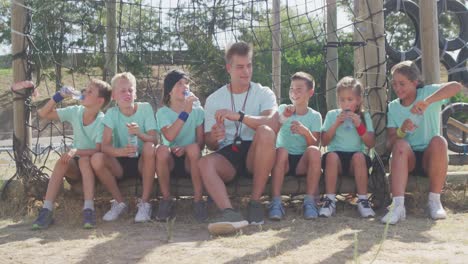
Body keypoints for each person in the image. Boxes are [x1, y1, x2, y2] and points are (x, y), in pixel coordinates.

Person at [199, 41, 278, 235]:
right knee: (204, 163)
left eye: (249, 65)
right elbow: (209, 141)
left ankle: (255, 202)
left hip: (256, 151)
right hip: (229, 153)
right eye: (240, 67)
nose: (246, 71)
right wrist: (215, 137)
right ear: (229, 68)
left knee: (266, 132)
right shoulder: (214, 99)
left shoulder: (264, 92)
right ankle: (230, 213)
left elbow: (274, 123)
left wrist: (241, 117)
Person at [381, 61, 462, 225]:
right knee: (400, 145)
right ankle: (397, 206)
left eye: (402, 83)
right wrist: (401, 130)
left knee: (439, 141)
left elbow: (456, 87)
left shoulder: (427, 92)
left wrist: (428, 101)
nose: (397, 88)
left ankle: (434, 201)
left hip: (429, 159)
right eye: (394, 84)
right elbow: (390, 144)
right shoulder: (393, 107)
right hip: (407, 161)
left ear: (415, 82)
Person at [31, 79, 112, 229]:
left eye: (89, 92)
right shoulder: (76, 111)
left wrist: (77, 151)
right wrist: (58, 96)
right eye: (85, 89)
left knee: (84, 161)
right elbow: (43, 113)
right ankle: (47, 209)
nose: (83, 93)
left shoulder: (102, 121)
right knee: (62, 160)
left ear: (99, 101)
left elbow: (99, 149)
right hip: (76, 167)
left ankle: (89, 209)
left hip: (94, 166)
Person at [90, 72, 158, 223]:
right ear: (114, 96)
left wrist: (139, 133)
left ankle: (145, 203)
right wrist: (120, 151)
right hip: (120, 162)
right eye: (122, 91)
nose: (127, 93)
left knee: (149, 146)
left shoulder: (145, 108)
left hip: (142, 161)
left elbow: (154, 138)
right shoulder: (111, 113)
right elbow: (104, 146)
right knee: (96, 158)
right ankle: (119, 203)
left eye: (130, 90)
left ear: (135, 93)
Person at [268, 72, 322, 220]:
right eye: (292, 88)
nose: (294, 92)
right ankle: (276, 201)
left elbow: (316, 144)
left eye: (299, 89)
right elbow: (272, 132)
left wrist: (305, 132)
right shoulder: (283, 109)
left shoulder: (315, 116)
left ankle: (310, 201)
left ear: (310, 92)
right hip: (282, 161)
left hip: (302, 163)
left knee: (313, 151)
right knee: (282, 151)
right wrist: (283, 117)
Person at [320, 76, 376, 218]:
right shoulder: (332, 115)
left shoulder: (364, 116)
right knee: (331, 156)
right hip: (336, 160)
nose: (345, 104)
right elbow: (324, 141)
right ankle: (330, 200)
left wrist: (359, 126)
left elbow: (370, 143)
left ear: (358, 100)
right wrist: (336, 124)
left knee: (358, 156)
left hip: (357, 161)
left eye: (350, 100)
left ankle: (363, 200)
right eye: (342, 99)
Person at [155, 69, 206, 222]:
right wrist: (185, 112)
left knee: (193, 148)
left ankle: (198, 200)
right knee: (162, 150)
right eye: (179, 84)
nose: (185, 87)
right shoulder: (162, 112)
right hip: (170, 161)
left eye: (186, 83)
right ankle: (166, 199)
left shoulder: (197, 111)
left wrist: (186, 148)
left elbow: (201, 143)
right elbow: (169, 136)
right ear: (169, 90)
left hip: (191, 161)